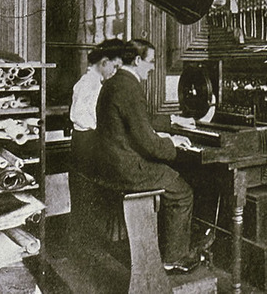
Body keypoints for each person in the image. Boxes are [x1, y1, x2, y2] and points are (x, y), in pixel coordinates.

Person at [95, 39, 207, 273]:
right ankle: (174, 257)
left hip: (112, 163)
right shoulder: (129, 87)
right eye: (151, 61)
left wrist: (173, 120)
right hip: (128, 168)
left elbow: (139, 119)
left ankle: (170, 244)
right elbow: (150, 145)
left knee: (173, 176)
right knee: (182, 192)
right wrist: (172, 142)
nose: (153, 67)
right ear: (137, 60)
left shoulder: (114, 82)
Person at [69, 38, 124, 174]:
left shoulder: (96, 82)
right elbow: (77, 114)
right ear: (104, 62)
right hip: (85, 141)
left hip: (91, 139)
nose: (115, 72)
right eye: (115, 67)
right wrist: (100, 127)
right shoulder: (88, 82)